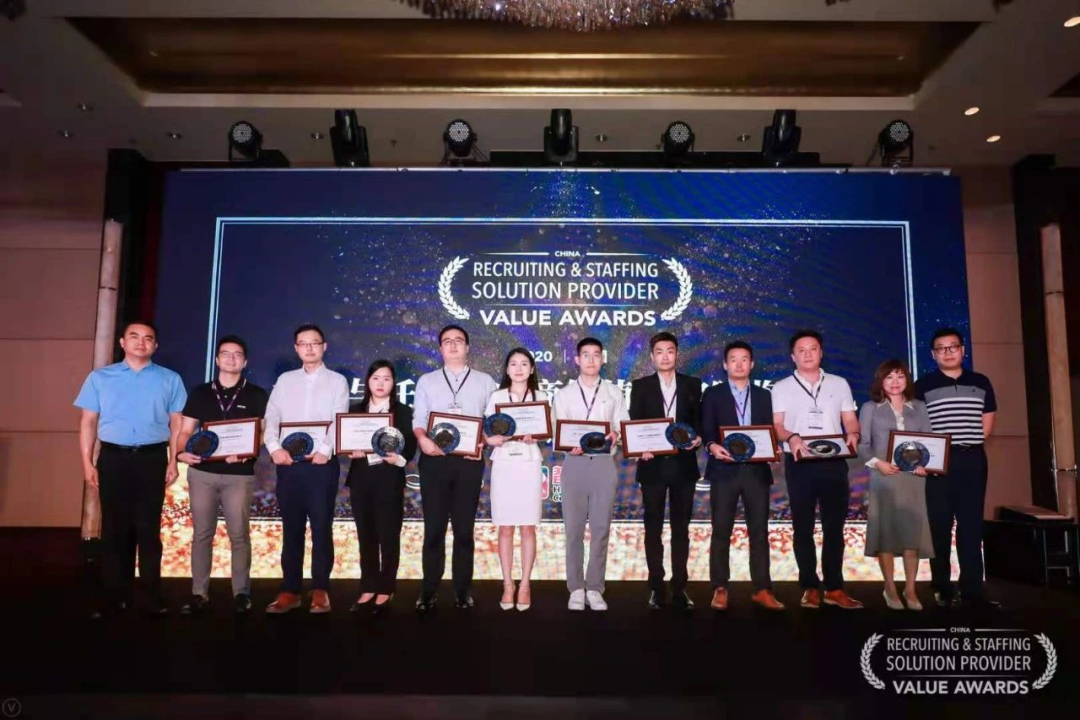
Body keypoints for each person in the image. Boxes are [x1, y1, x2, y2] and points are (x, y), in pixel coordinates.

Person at [75, 320, 187, 617]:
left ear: (155, 345)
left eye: (148, 338)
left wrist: (173, 460)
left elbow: (177, 423)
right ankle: (115, 596)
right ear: (122, 342)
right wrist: (87, 463)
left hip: (152, 458)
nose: (141, 342)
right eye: (134, 336)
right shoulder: (100, 378)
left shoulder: (170, 379)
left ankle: (151, 596)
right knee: (114, 529)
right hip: (113, 459)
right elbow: (88, 422)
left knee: (148, 528)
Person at [175, 335, 269, 615]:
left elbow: (263, 432)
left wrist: (249, 451)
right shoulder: (200, 392)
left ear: (245, 361)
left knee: (239, 535)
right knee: (202, 534)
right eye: (225, 354)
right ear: (217, 359)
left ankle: (241, 593)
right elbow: (185, 430)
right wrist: (180, 453)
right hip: (202, 473)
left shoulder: (257, 394)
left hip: (239, 474)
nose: (231, 358)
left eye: (237, 354)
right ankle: (199, 594)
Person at [771, 330, 863, 610]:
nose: (807, 354)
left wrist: (854, 434)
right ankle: (810, 587)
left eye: (813, 348)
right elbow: (777, 425)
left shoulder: (839, 383)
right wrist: (791, 437)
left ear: (821, 352)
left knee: (834, 528)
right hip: (799, 462)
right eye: (801, 350)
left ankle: (834, 588)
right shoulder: (781, 387)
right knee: (803, 528)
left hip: (834, 463)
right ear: (793, 356)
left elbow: (850, 419)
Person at [263, 324, 350, 614]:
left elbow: (340, 418)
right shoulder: (285, 380)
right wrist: (274, 447)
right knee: (292, 528)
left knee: (322, 527)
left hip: (321, 466)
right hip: (289, 465)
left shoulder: (337, 381)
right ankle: (290, 590)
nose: (309, 348)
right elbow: (272, 415)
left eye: (315, 343)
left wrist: (325, 450)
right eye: (303, 343)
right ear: (296, 348)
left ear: (324, 346)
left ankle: (320, 589)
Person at [412, 325, 498, 612]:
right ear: (440, 348)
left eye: (458, 341)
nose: (452, 345)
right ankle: (428, 591)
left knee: (463, 530)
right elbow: (419, 419)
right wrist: (422, 439)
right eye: (447, 341)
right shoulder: (427, 381)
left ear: (467, 347)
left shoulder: (485, 382)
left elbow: (492, 422)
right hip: (434, 460)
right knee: (434, 529)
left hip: (468, 463)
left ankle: (463, 591)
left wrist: (481, 442)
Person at [914, 327, 999, 609]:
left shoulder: (981, 381)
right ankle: (942, 587)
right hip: (938, 461)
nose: (947, 352)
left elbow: (987, 421)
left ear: (962, 350)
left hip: (972, 459)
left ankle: (972, 589)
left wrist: (969, 443)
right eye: (941, 348)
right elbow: (917, 427)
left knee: (971, 524)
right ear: (933, 354)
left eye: (953, 347)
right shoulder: (923, 385)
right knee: (939, 525)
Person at [701, 340, 784, 611]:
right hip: (724, 470)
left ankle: (762, 589)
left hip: (756, 472)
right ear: (725, 365)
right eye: (733, 359)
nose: (739, 364)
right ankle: (720, 588)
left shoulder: (764, 396)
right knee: (721, 530)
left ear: (752, 364)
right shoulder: (712, 394)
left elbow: (771, 429)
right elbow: (707, 428)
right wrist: (711, 446)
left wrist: (774, 447)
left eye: (744, 359)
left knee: (759, 532)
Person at [552, 337, 629, 612]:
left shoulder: (614, 392)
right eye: (586, 355)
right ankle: (575, 587)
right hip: (574, 463)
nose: (591, 360)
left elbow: (623, 425)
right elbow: (557, 431)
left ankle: (595, 587)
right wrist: (567, 444)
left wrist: (616, 433)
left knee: (600, 528)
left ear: (602, 359)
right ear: (577, 359)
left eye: (596, 355)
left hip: (604, 463)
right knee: (573, 529)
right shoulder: (563, 394)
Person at [628, 331, 702, 610]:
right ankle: (656, 587)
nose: (665, 356)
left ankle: (680, 587)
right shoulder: (641, 386)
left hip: (684, 467)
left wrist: (698, 438)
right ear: (652, 356)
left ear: (677, 354)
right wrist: (640, 447)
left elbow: (699, 422)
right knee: (653, 530)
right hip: (653, 467)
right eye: (659, 352)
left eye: (670, 351)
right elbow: (635, 423)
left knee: (681, 530)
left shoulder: (692, 384)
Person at [858, 360, 934, 611]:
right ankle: (889, 587)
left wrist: (925, 464)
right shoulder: (870, 408)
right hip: (884, 477)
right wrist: (877, 463)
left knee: (912, 533)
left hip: (913, 479)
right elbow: (863, 445)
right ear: (881, 381)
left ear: (907, 380)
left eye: (900, 376)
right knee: (886, 533)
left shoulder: (919, 407)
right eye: (889, 377)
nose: (894, 382)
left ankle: (910, 588)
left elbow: (928, 442)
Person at [345, 360, 417, 612]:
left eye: (386, 378)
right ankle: (368, 586)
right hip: (361, 480)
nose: (380, 383)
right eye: (375, 378)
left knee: (388, 535)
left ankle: (386, 588)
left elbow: (410, 446)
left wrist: (399, 459)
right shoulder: (355, 410)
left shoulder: (403, 412)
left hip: (389, 479)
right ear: (368, 381)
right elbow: (345, 440)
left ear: (393, 383)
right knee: (366, 536)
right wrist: (350, 451)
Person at [484, 348, 548, 612]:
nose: (519, 368)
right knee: (506, 527)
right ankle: (508, 584)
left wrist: (538, 435)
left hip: (529, 463)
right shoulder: (497, 397)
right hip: (504, 463)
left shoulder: (541, 397)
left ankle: (525, 585)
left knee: (528, 527)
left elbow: (548, 430)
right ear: (507, 369)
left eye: (524, 364)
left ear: (532, 369)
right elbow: (486, 430)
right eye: (513, 364)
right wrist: (491, 439)